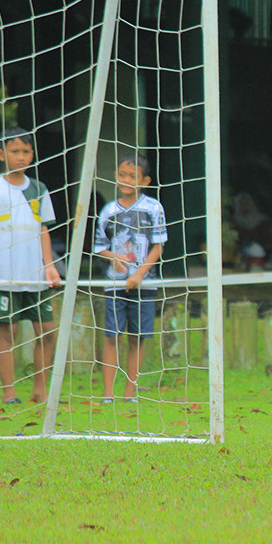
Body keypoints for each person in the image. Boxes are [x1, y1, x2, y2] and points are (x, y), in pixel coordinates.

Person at [0, 128, 61, 404]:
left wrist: (49, 266)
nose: (21, 156)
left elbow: (44, 231)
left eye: (26, 151)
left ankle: (40, 389)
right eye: (15, 151)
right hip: (5, 276)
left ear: (33, 155)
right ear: (2, 154)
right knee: (8, 331)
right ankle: (9, 392)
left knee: (47, 330)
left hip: (35, 276)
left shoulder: (39, 189)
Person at [94, 152, 167, 404]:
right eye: (122, 175)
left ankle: (129, 392)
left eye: (132, 176)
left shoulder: (154, 208)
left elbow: (158, 247)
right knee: (112, 336)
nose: (126, 180)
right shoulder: (107, 211)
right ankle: (108, 393)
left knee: (138, 338)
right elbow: (99, 246)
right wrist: (112, 257)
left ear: (144, 181)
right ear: (115, 176)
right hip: (115, 285)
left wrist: (139, 274)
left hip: (144, 285)